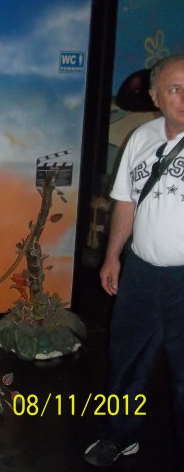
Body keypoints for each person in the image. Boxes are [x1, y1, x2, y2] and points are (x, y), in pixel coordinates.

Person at [84, 54, 184, 467]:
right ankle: (120, 435)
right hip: (141, 272)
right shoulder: (141, 137)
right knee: (125, 359)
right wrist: (112, 256)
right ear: (156, 96)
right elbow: (125, 201)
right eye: (175, 89)